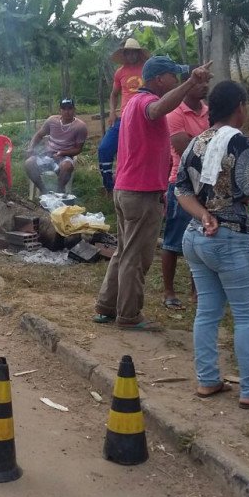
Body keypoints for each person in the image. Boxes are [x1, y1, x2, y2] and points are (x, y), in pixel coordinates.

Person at [174, 81, 249, 409]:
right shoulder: (239, 141)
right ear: (240, 107)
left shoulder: (197, 141)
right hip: (230, 237)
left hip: (196, 236)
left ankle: (208, 380)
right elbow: (246, 190)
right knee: (247, 315)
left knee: (208, 312)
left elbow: (181, 189)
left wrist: (204, 215)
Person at [93, 56, 212, 331]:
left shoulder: (132, 102)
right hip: (141, 193)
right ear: (159, 79)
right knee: (136, 256)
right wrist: (191, 83)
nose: (177, 80)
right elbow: (158, 109)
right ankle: (129, 315)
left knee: (124, 252)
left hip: (127, 189)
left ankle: (106, 307)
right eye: (174, 76)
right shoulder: (146, 102)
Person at [161, 74, 208, 310]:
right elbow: (184, 148)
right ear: (187, 85)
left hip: (205, 184)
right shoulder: (175, 113)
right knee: (173, 241)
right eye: (199, 82)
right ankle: (169, 291)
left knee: (200, 238)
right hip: (181, 183)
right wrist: (208, 143)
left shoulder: (208, 111)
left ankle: (196, 290)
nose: (205, 86)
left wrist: (198, 141)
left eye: (207, 82)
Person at [98, 38, 148, 197]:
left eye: (134, 52)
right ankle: (109, 186)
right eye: (128, 53)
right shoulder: (120, 72)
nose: (131, 55)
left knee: (135, 154)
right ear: (124, 54)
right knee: (104, 148)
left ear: (138, 53)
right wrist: (112, 112)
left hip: (142, 118)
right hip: (123, 118)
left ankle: (135, 187)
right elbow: (114, 95)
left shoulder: (146, 69)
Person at [24, 98, 87, 195]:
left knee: (67, 166)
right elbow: (39, 135)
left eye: (70, 108)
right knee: (29, 163)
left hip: (65, 157)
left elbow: (78, 149)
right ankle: (44, 190)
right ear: (59, 110)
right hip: (48, 156)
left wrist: (62, 153)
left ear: (74, 109)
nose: (67, 112)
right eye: (64, 109)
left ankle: (59, 192)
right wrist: (31, 148)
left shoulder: (80, 126)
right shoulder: (52, 121)